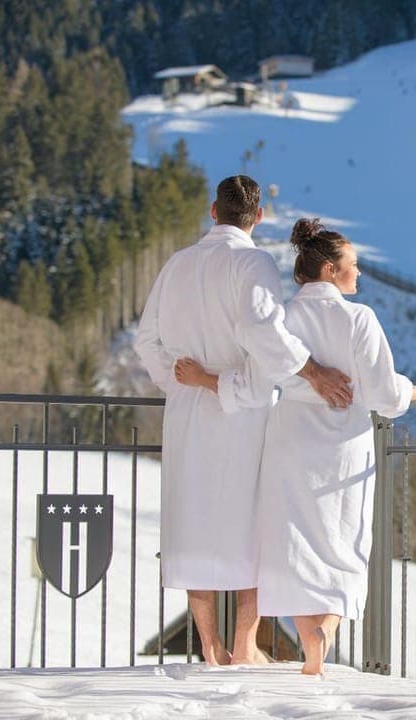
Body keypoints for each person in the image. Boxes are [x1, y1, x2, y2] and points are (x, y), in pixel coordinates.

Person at [174, 217, 416, 675]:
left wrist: (204, 378)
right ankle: (323, 635)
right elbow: (382, 394)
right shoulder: (359, 318)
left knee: (291, 541)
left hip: (290, 439)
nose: (359, 272)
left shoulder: (283, 320)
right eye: (353, 264)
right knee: (342, 540)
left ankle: (304, 632)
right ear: (330, 270)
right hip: (344, 442)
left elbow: (259, 379)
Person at [135, 177, 353, 666]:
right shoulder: (252, 262)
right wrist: (313, 373)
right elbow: (263, 332)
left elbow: (147, 340)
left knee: (193, 520)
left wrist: (182, 381)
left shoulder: (178, 264)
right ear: (258, 217)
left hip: (188, 411)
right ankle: (245, 644)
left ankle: (209, 644)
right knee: (253, 524)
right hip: (243, 414)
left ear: (214, 211)